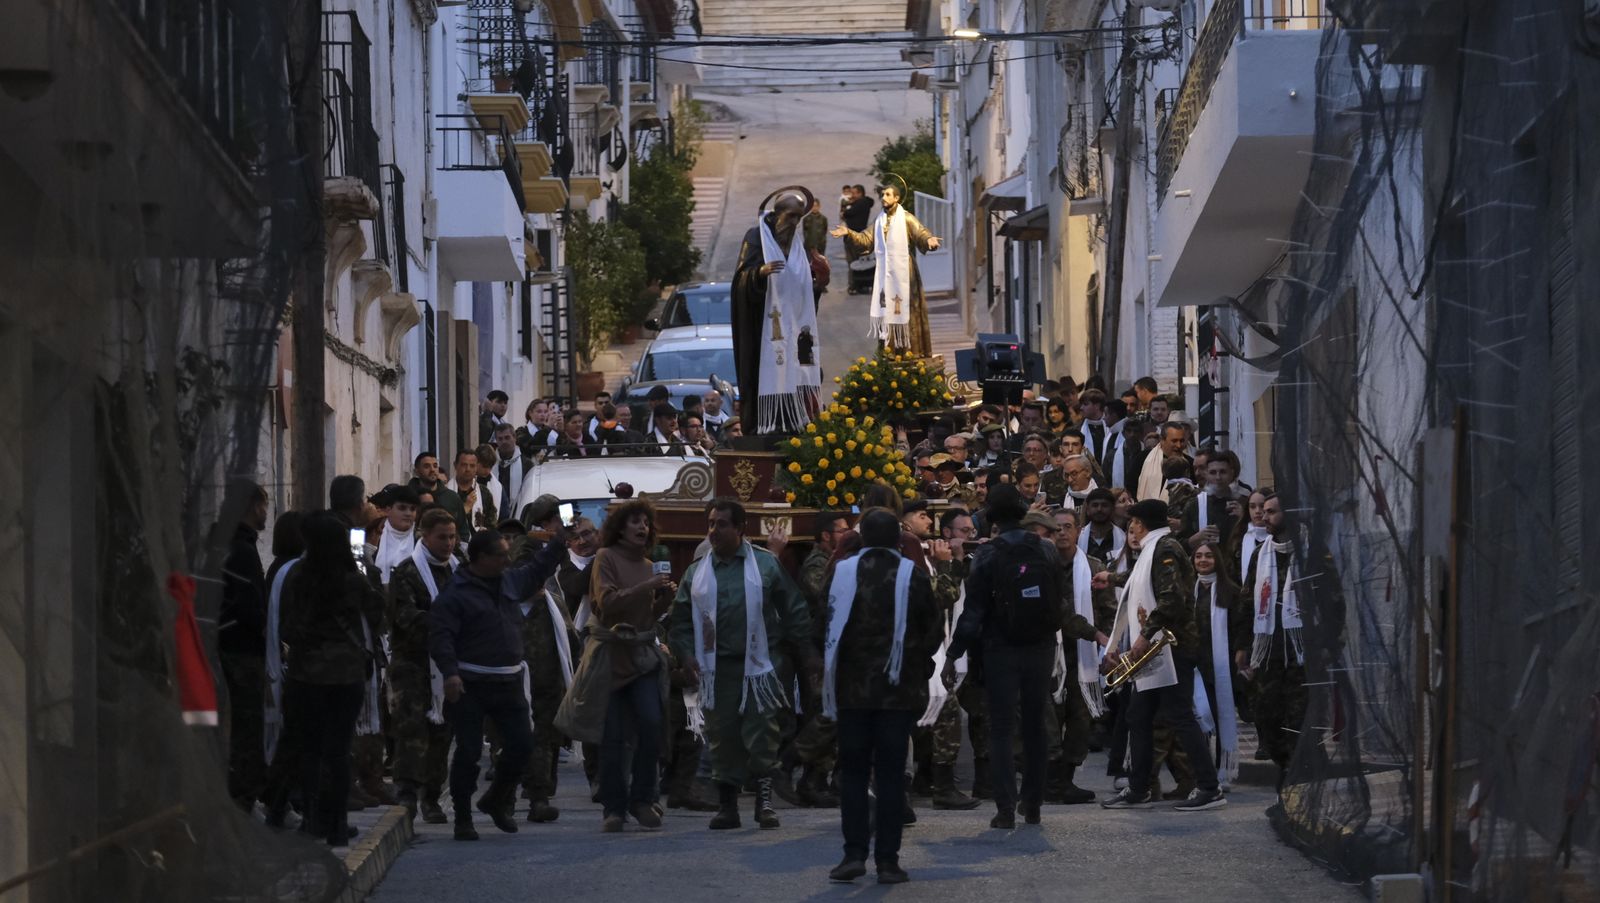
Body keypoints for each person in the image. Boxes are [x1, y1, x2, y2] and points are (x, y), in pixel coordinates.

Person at [668, 499, 818, 830]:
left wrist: (806, 652)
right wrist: (686, 653)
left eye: (721, 524)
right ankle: (727, 806)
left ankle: (764, 803)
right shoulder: (697, 573)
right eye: (710, 523)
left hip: (760, 668)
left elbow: (793, 609)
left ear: (740, 529)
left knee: (762, 732)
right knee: (722, 736)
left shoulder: (765, 565)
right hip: (716, 669)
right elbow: (679, 622)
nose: (713, 530)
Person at [822, 509, 942, 885]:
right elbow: (933, 629)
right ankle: (888, 861)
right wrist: (916, 666)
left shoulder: (840, 573)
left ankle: (853, 854)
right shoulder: (913, 576)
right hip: (898, 692)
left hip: (852, 692)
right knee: (891, 777)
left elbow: (821, 625)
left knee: (854, 775)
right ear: (897, 540)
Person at [430, 528, 569, 840]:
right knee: (467, 751)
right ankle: (463, 818)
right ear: (481, 558)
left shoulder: (508, 581)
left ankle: (496, 799)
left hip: (508, 681)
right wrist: (450, 673)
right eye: (501, 555)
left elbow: (536, 571)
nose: (508, 560)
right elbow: (441, 637)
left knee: (522, 744)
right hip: (470, 683)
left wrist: (559, 543)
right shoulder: (456, 593)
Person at [1097, 500, 1226, 811]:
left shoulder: (1164, 548)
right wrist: (1110, 578)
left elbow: (1172, 598)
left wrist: (1143, 635)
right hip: (1159, 647)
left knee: (1179, 714)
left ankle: (1209, 787)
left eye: (1133, 524)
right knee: (1138, 715)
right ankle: (1139, 787)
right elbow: (1144, 583)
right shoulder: (1157, 547)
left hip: (1171, 647)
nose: (1132, 530)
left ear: (1142, 524)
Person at [947, 484, 1063, 829]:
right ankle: (1034, 803)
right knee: (1035, 727)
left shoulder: (987, 554)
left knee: (1000, 730)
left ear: (992, 518)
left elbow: (973, 611)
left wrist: (955, 653)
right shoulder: (1046, 549)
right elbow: (1058, 598)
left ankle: (1004, 808)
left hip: (1000, 649)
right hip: (1040, 646)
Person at [278, 511, 387, 845]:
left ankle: (313, 819)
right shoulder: (353, 577)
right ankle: (338, 823)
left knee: (310, 750)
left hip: (306, 673)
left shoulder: (298, 575)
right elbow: (378, 613)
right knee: (339, 751)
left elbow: (287, 625)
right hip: (346, 673)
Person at [587, 501, 677, 832]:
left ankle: (643, 799)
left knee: (652, 724)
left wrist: (663, 600)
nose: (643, 528)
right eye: (636, 522)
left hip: (640, 657)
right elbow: (607, 604)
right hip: (612, 658)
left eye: (646, 523)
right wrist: (646, 589)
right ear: (620, 528)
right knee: (612, 736)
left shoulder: (650, 565)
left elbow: (645, 619)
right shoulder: (605, 559)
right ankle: (614, 807)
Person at [386, 507, 458, 824]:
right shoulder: (407, 573)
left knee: (441, 733)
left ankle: (431, 798)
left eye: (453, 537)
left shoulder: (459, 571)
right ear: (424, 537)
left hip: (446, 666)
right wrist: (446, 623)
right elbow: (406, 618)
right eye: (441, 537)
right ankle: (406, 794)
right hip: (413, 664)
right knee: (411, 729)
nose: (449, 544)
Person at [732, 186, 824, 433]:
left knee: (795, 370)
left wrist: (820, 282)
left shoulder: (797, 248)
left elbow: (802, 299)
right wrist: (758, 274)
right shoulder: (755, 237)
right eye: (791, 216)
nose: (794, 223)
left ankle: (792, 423)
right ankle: (763, 426)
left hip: (792, 333)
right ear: (777, 214)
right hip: (761, 327)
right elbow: (739, 280)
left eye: (798, 218)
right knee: (761, 376)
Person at [831, 176, 942, 357]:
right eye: (883, 194)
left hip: (905, 272)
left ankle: (912, 349)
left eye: (888, 194)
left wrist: (928, 239)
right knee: (887, 309)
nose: (884, 197)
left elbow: (920, 232)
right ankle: (890, 351)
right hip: (885, 274)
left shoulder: (906, 218)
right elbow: (866, 240)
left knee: (908, 308)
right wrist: (849, 233)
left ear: (897, 198)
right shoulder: (879, 220)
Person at [1238, 489, 1305, 784]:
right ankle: (1286, 763)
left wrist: (1330, 646)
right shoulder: (1260, 554)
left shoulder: (1311, 553)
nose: (1264, 517)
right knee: (1265, 714)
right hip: (1268, 647)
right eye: (1262, 511)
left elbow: (1332, 602)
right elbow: (1247, 601)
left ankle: (1297, 774)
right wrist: (1242, 645)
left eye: (1271, 512)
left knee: (1299, 717)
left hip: (1300, 649)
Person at [1051, 507, 1116, 803]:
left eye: (1067, 527)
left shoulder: (1091, 566)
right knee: (1049, 717)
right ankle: (1048, 778)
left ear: (1078, 531)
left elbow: (1106, 612)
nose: (1062, 533)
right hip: (1050, 652)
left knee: (1079, 718)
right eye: (1056, 528)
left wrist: (1106, 647)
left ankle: (1066, 778)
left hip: (1083, 653)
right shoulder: (1043, 564)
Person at [219, 481, 269, 813]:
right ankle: (242, 798)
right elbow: (250, 606)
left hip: (229, 647)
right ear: (254, 506)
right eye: (264, 505)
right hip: (241, 651)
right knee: (246, 727)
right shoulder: (242, 549)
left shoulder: (224, 543)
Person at [1191, 539, 1247, 789]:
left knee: (1217, 715)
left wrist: (1240, 654)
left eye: (1208, 556)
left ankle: (1221, 769)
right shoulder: (1188, 589)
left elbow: (1241, 627)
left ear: (1218, 560)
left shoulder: (1230, 591)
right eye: (1198, 556)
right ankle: (1201, 771)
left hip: (1220, 664)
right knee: (1199, 717)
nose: (1203, 560)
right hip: (1194, 664)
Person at [446, 448, 495, 538]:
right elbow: (442, 523)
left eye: (472, 466)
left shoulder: (484, 493)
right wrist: (465, 509)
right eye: (464, 465)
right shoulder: (445, 493)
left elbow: (492, 523)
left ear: (476, 468)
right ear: (455, 465)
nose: (468, 469)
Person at [492, 422, 534, 522]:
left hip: (519, 515)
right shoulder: (491, 463)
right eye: (500, 439)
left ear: (514, 438)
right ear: (496, 441)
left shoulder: (527, 464)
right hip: (495, 516)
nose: (504, 442)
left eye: (507, 438)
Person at [840, 185, 875, 295]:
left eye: (854, 193)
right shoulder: (865, 203)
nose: (852, 195)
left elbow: (845, 213)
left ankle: (853, 286)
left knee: (852, 261)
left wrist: (847, 207)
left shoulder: (860, 203)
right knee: (859, 261)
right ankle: (861, 285)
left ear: (860, 193)